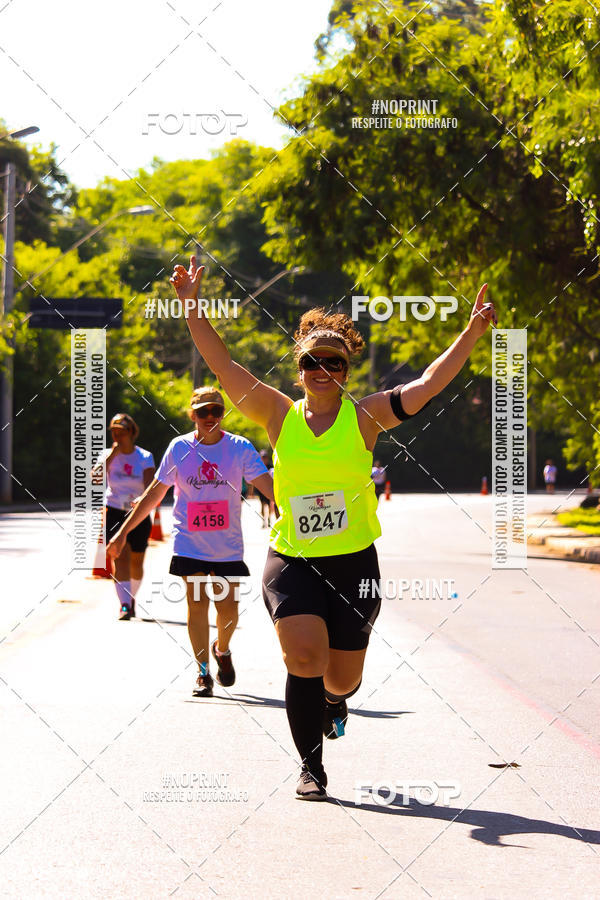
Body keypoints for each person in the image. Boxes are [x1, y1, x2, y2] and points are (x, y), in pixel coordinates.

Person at [171, 255, 497, 800]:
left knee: (340, 678)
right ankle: (311, 769)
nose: (323, 371)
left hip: (353, 563)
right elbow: (222, 364)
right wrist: (191, 305)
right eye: (312, 362)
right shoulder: (277, 414)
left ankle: (335, 700)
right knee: (302, 657)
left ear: (347, 370)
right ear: (298, 367)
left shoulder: (366, 415)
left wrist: (471, 333)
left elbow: (428, 384)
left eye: (335, 363)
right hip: (293, 560)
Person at [107, 387, 274, 697]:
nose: (210, 417)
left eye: (216, 411)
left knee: (228, 611)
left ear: (223, 413)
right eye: (203, 412)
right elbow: (154, 494)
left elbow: (268, 486)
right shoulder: (179, 448)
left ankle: (222, 650)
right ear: (192, 415)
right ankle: (202, 673)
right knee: (197, 605)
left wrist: (299, 511)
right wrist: (123, 532)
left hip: (227, 547)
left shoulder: (239, 448)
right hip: (190, 544)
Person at [92, 413, 155, 620]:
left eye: (121, 431)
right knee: (120, 557)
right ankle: (125, 605)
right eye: (113, 431)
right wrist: (111, 456)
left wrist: (140, 499)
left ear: (131, 432)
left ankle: (131, 597)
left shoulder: (144, 456)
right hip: (114, 509)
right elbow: (96, 479)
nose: (117, 435)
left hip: (138, 512)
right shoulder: (107, 455)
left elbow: (149, 487)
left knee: (137, 561)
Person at [256, 450, 274, 527]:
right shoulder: (258, 467)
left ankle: (269, 518)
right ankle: (264, 520)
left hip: (269, 488)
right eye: (262, 457)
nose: (264, 459)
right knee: (262, 505)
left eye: (265, 457)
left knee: (270, 504)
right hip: (261, 489)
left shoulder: (271, 466)